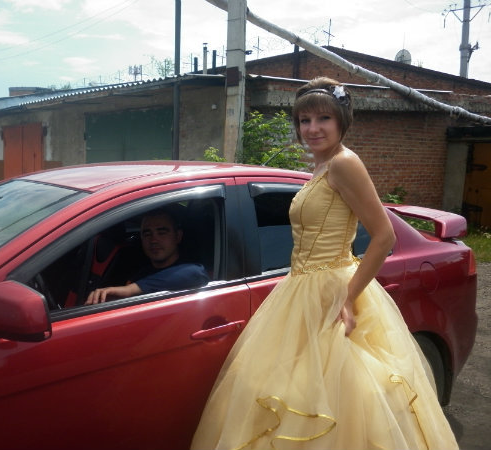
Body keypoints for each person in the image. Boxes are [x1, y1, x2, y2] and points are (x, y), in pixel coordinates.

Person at [190, 77, 458, 450]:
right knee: (292, 393)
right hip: (300, 289)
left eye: (323, 119)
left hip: (331, 289)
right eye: (305, 120)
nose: (312, 128)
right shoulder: (321, 166)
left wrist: (348, 298)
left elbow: (384, 237)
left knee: (340, 397)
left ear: (342, 121)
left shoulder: (345, 163)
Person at [85, 208, 210, 304]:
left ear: (178, 236)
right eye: (147, 234)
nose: (153, 240)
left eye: (162, 232)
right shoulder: (141, 272)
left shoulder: (191, 271)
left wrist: (128, 290)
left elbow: (195, 273)